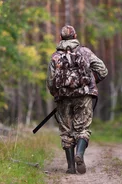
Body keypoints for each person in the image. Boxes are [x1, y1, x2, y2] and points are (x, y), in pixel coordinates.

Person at [47, 25, 108, 174]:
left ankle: (70, 167)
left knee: (66, 132)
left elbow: (50, 82)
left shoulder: (55, 56)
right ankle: (79, 154)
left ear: (60, 38)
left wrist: (57, 94)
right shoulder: (85, 52)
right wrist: (90, 82)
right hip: (84, 96)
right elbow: (103, 70)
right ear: (75, 36)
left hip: (63, 98)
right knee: (83, 129)